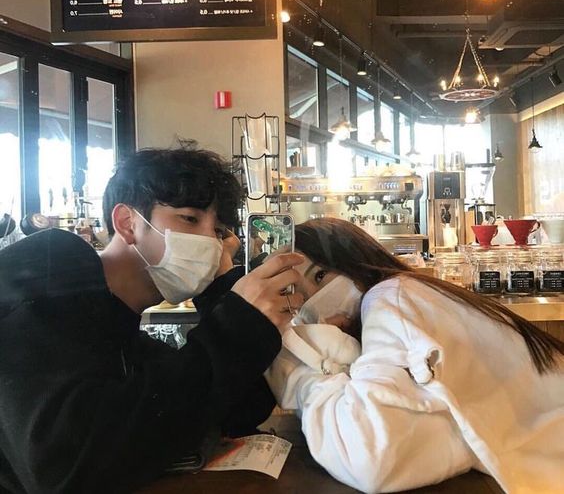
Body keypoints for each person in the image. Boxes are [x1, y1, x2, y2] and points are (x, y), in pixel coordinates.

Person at [0, 143, 304, 493]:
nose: (210, 241)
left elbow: (233, 412)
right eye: (190, 219)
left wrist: (221, 292)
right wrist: (236, 324)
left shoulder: (120, 330)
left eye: (219, 231)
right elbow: (65, 466)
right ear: (128, 223)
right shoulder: (47, 281)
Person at [266, 217, 564, 494]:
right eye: (297, 295)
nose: (313, 301)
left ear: (354, 260)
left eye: (320, 275)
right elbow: (412, 438)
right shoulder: (410, 292)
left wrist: (302, 367)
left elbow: (369, 454)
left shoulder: (390, 297)